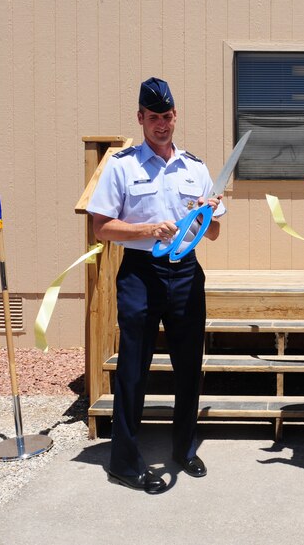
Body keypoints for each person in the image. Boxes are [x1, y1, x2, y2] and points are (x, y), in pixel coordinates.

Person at [87, 77, 224, 494]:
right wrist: (147, 229)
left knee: (188, 367)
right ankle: (124, 461)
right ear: (140, 119)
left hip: (185, 273)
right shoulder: (121, 165)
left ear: (174, 116)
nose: (161, 125)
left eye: (167, 117)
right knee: (133, 368)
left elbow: (214, 233)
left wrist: (205, 214)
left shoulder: (196, 168)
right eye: (153, 118)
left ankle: (183, 448)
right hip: (141, 273)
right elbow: (101, 226)